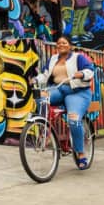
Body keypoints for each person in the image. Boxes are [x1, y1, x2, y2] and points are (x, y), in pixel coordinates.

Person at [34, 36, 95, 169]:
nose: (61, 44)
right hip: (58, 89)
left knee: (73, 120)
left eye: (64, 42)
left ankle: (80, 153)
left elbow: (90, 71)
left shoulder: (78, 57)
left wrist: (82, 74)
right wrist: (35, 80)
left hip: (77, 92)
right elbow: (44, 75)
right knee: (40, 97)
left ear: (70, 46)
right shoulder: (53, 59)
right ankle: (45, 129)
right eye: (58, 43)